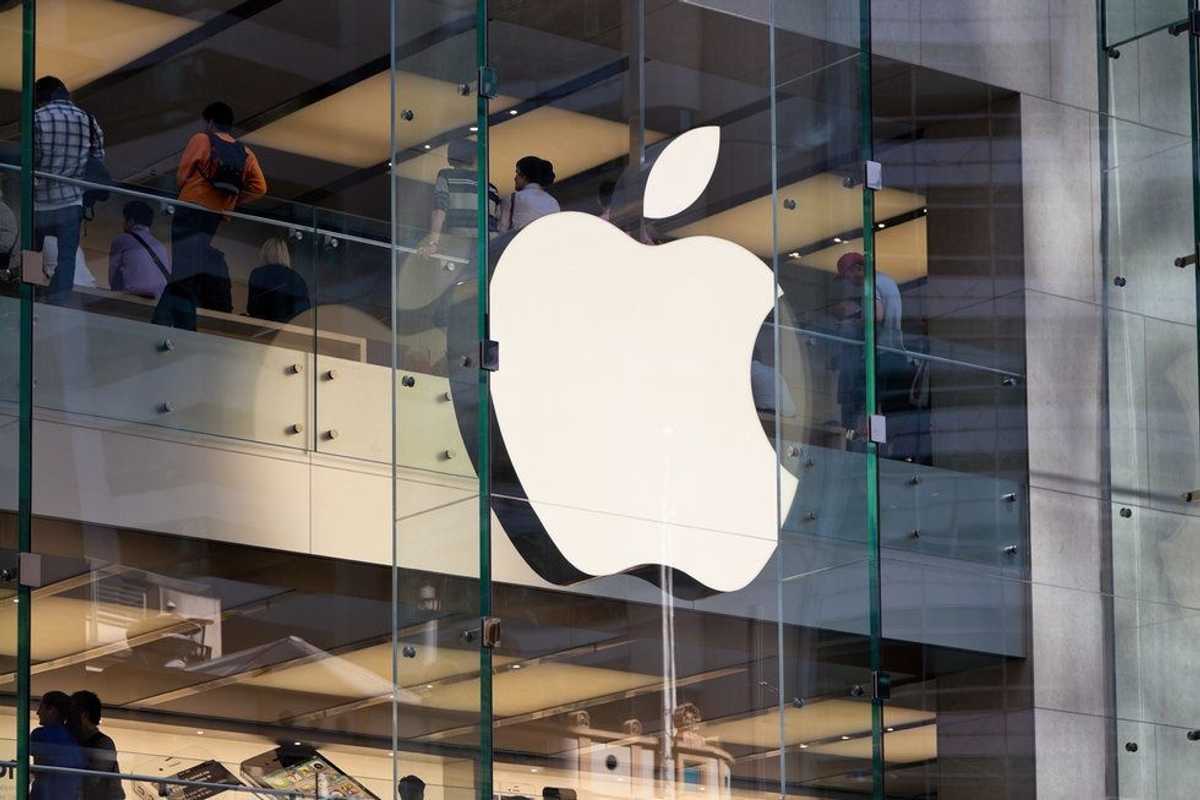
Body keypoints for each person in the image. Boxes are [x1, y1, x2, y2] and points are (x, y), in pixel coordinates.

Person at [173, 102, 267, 281]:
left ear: (210, 122)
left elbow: (182, 175)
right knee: (198, 257)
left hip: (190, 206)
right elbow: (260, 188)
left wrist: (184, 190)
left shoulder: (201, 139)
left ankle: (181, 296)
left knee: (182, 259)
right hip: (215, 212)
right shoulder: (245, 152)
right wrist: (232, 201)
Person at [32, 76, 104, 302]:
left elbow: (32, 159)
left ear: (41, 97)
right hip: (72, 202)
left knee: (32, 252)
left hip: (40, 202)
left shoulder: (36, 118)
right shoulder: (89, 120)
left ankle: (30, 292)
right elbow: (98, 161)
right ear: (65, 93)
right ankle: (59, 300)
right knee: (67, 258)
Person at [418, 139, 499, 260]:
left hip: (460, 243)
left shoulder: (446, 175)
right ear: (474, 157)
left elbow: (439, 210)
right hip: (490, 246)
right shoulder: (491, 187)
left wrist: (433, 243)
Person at [108, 200, 170, 299]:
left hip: (134, 297)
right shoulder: (160, 246)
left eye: (124, 220)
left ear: (131, 221)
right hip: (160, 299)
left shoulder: (121, 240)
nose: (122, 223)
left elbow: (114, 277)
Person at [30, 690, 86, 800]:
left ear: (52, 710)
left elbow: (40, 771)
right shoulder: (74, 738)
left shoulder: (40, 734)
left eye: (41, 707)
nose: (38, 712)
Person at [70, 690, 124, 800]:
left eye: (71, 714)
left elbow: (90, 780)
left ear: (83, 716)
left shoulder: (104, 744)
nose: (67, 719)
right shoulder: (76, 740)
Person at [247, 237, 311, 323]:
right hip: (286, 331)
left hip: (261, 328)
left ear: (265, 253)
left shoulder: (258, 274)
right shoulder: (296, 278)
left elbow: (252, 308)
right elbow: (303, 314)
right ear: (285, 255)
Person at [497, 155, 559, 232]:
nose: (515, 178)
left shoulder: (513, 199)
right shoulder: (553, 202)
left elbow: (502, 231)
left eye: (517, 173)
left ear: (524, 176)